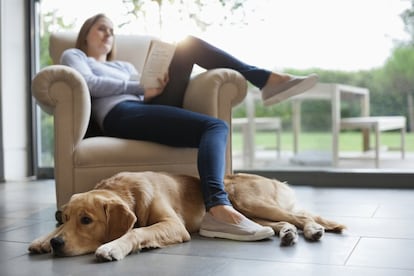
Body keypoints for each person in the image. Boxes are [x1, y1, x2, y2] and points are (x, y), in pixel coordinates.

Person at [61, 13, 318, 242]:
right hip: (119, 114)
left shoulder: (123, 66)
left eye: (112, 31)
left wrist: (154, 87)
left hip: (144, 106)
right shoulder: (75, 56)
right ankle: (218, 205)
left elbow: (143, 93)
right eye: (102, 28)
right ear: (85, 35)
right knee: (215, 126)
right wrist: (139, 87)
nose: (109, 34)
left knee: (189, 45)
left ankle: (265, 79)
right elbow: (89, 82)